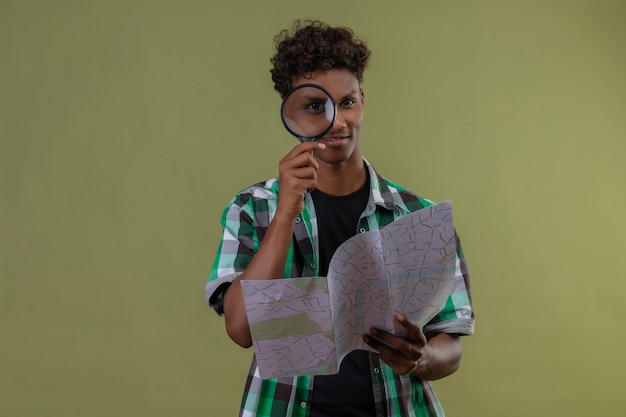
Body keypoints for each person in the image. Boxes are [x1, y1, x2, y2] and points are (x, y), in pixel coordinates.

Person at [205, 19, 475, 417]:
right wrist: (285, 215)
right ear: (291, 114)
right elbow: (242, 330)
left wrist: (420, 358)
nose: (336, 122)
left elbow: (450, 346)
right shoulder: (253, 207)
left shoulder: (418, 215)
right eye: (316, 106)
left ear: (362, 100)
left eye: (346, 102)